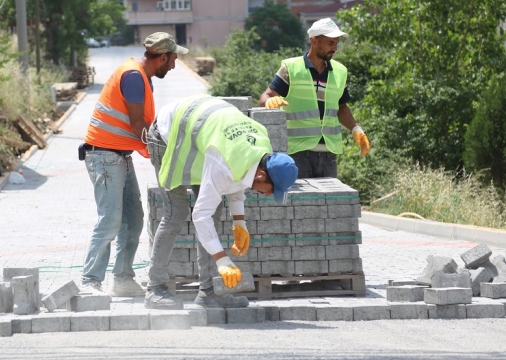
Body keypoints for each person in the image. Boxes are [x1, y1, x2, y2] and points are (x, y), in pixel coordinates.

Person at [144, 94, 298, 309]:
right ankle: (155, 288)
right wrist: (222, 260)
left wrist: (239, 222)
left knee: (213, 213)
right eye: (271, 190)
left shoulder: (262, 148)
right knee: (176, 214)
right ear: (263, 175)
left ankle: (208, 293)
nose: (268, 195)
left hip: (203, 135)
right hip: (169, 132)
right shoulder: (223, 160)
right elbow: (201, 214)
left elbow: (240, 178)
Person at [79, 32, 188, 297]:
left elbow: (143, 128)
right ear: (162, 57)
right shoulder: (133, 77)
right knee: (111, 220)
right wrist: (160, 157)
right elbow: (138, 126)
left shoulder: (141, 77)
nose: (174, 65)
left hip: (119, 156)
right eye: (173, 59)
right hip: (104, 156)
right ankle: (90, 281)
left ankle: (123, 280)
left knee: (133, 219)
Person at [258, 18, 371, 179]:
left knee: (328, 202)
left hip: (328, 155)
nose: (335, 48)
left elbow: (342, 107)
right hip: (297, 153)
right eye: (330, 43)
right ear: (314, 41)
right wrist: (269, 101)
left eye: (336, 43)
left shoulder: (340, 72)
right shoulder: (292, 69)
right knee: (300, 204)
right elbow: (265, 96)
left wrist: (356, 129)